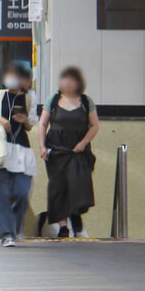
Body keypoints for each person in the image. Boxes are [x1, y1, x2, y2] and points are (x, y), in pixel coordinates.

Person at [36, 66, 99, 238]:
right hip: (56, 150)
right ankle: (63, 225)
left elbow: (94, 125)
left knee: (77, 185)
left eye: (71, 80)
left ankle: (76, 215)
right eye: (65, 79)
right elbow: (42, 124)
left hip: (78, 151)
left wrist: (83, 143)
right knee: (58, 188)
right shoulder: (53, 100)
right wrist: (42, 146)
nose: (67, 83)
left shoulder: (86, 102)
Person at [0, 61, 38, 247]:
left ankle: (13, 226)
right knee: (1, 193)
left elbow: (32, 125)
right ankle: (6, 233)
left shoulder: (30, 98)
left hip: (22, 150)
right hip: (0, 150)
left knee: (22, 191)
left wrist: (24, 121)